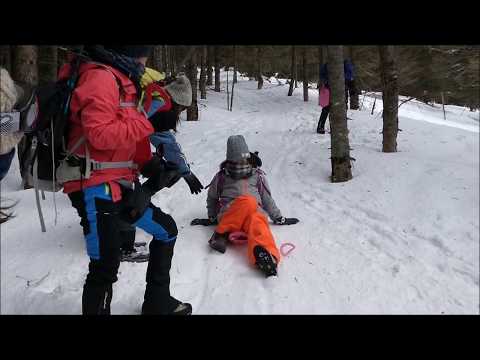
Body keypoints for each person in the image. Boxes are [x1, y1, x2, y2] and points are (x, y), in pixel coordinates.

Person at [61, 45, 191, 315]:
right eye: (144, 53)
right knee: (105, 263)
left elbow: (127, 137)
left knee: (166, 230)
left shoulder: (124, 80)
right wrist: (150, 124)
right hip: (93, 184)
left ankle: (158, 302)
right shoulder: (100, 77)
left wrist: (152, 165)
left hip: (118, 183)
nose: (146, 60)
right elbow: (99, 134)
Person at [119, 72, 204, 263]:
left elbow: (161, 140)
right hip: (119, 161)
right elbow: (168, 144)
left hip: (122, 159)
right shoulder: (160, 105)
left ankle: (124, 239)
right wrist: (185, 173)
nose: (180, 112)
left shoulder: (153, 99)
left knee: (138, 190)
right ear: (178, 101)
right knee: (130, 199)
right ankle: (123, 247)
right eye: (182, 108)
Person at [202, 135, 299, 277]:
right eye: (236, 160)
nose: (240, 162)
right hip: (230, 216)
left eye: (243, 158)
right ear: (230, 159)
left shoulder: (257, 175)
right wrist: (211, 216)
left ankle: (269, 259)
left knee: (258, 222)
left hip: (252, 216)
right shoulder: (222, 177)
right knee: (248, 201)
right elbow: (212, 198)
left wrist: (278, 217)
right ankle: (220, 234)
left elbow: (266, 199)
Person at [316, 60, 355, 134]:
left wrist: (325, 82)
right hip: (340, 89)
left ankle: (321, 127)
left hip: (333, 88)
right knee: (340, 108)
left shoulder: (329, 63)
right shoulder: (345, 64)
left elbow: (322, 75)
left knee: (327, 109)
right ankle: (337, 128)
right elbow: (350, 77)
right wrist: (352, 88)